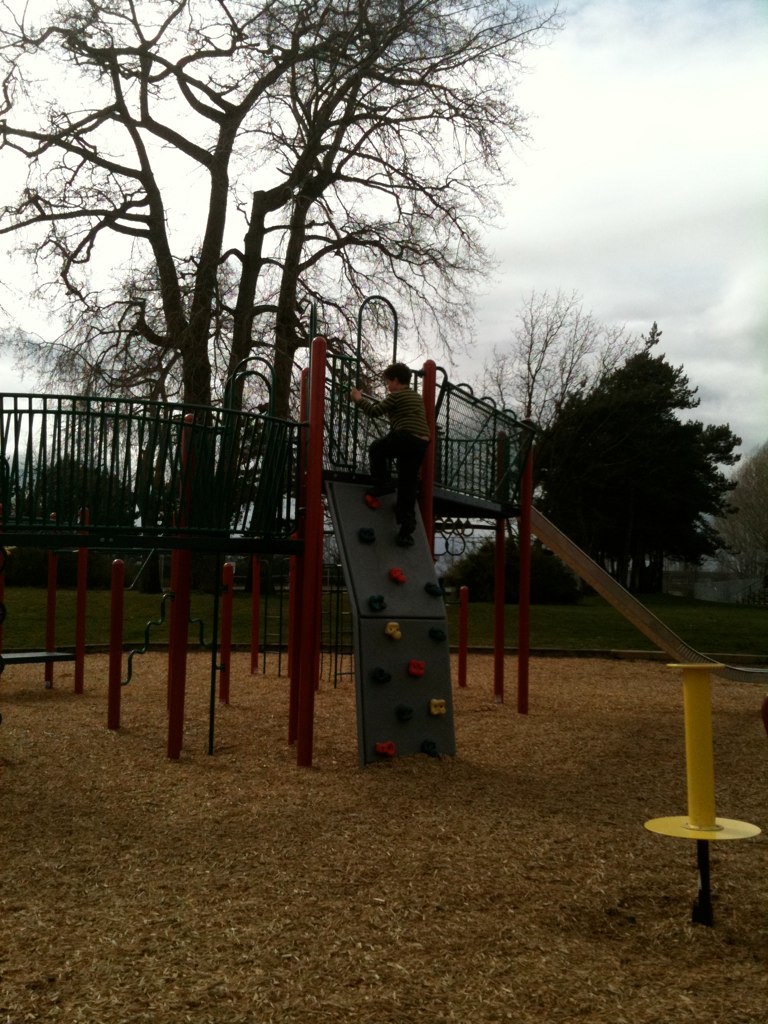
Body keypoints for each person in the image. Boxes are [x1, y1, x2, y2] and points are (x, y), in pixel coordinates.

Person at [351, 362, 430, 546]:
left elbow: (374, 411)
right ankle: (406, 530)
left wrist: (358, 398)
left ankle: (383, 483)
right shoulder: (415, 397)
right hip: (421, 442)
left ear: (395, 380)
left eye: (388, 382)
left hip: (406, 436)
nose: (387, 386)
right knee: (407, 482)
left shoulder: (396, 395)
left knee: (377, 449)